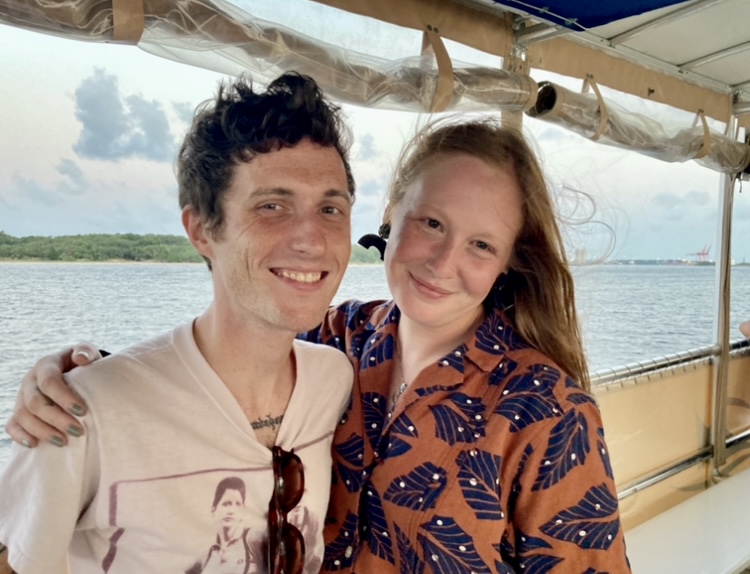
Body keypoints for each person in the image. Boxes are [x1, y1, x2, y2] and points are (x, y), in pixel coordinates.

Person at [6, 118, 631, 572]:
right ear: (391, 214)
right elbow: (217, 362)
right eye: (432, 223)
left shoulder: (548, 411)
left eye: (481, 245)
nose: (443, 262)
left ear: (509, 262)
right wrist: (81, 375)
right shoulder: (339, 337)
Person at [0, 73, 355, 573]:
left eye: (330, 208)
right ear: (202, 230)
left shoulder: (335, 379)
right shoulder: (83, 413)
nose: (312, 239)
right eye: (272, 206)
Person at [186, 477, 262, 574]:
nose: (231, 511)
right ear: (213, 509)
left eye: (238, 504)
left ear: (243, 510)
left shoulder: (252, 540)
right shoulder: (207, 555)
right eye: (226, 504)